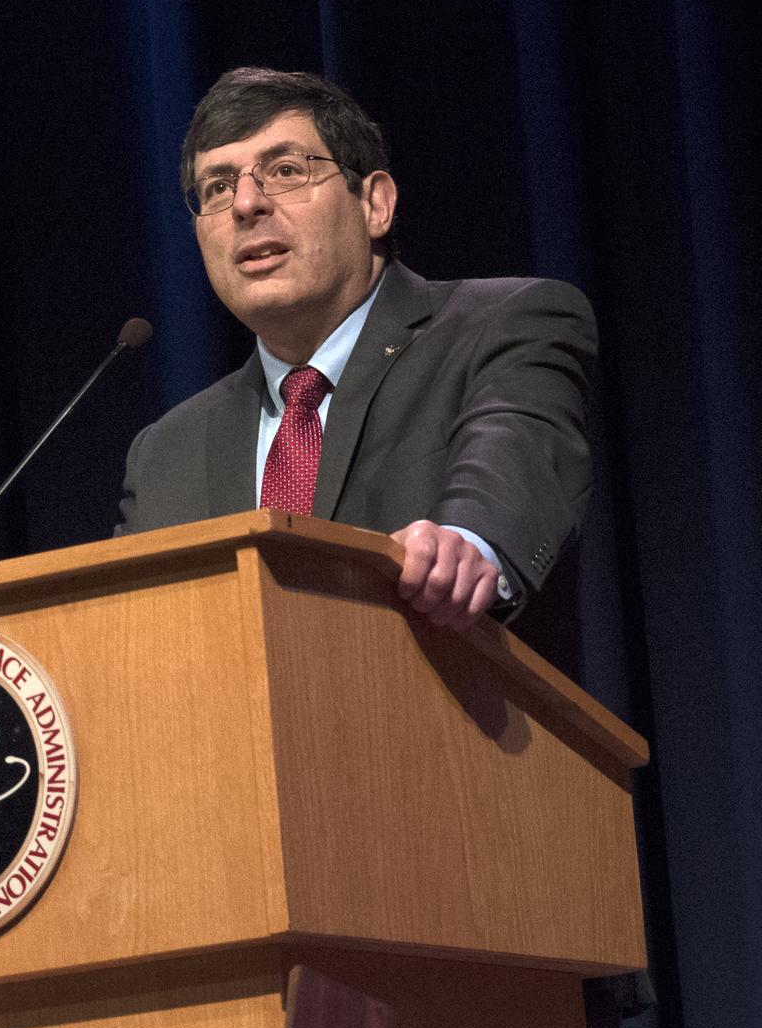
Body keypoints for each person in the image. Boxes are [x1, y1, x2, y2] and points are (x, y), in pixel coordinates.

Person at [116, 67, 596, 630]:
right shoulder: (163, 455)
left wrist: (466, 543)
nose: (246, 204)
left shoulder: (505, 325)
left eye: (286, 170)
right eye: (218, 188)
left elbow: (514, 454)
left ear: (375, 204)